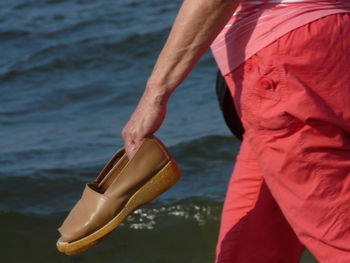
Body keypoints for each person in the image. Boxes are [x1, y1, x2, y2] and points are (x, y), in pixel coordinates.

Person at [122, 0, 350, 262]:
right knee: (247, 247)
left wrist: (154, 96)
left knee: (339, 240)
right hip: (331, 45)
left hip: (283, 65)